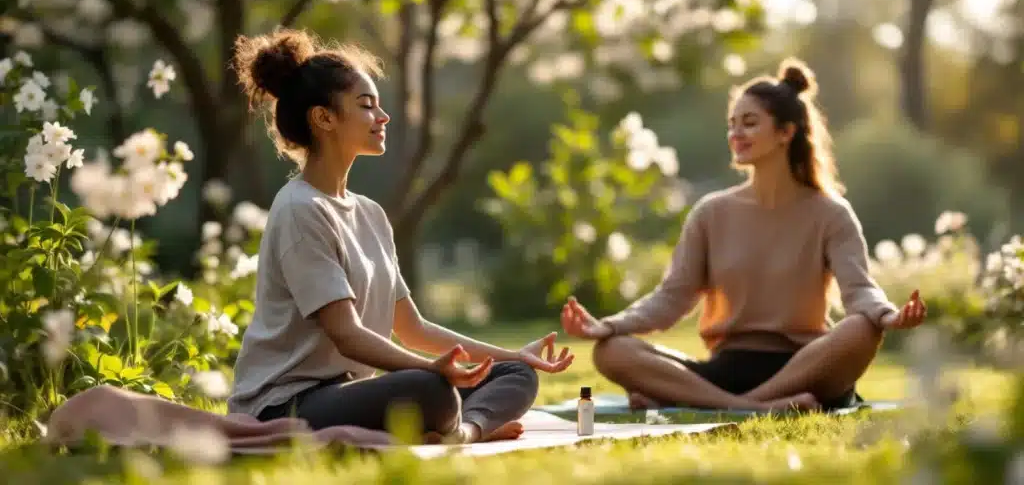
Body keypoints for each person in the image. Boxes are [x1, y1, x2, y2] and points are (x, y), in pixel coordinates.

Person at [226, 28, 574, 444]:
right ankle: (453, 421)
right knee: (430, 390)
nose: (383, 116)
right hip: (288, 404)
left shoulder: (370, 214)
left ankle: (463, 432)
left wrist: (514, 355)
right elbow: (348, 336)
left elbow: (413, 328)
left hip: (349, 394)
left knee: (516, 376)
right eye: (366, 105)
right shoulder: (301, 210)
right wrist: (430, 370)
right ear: (324, 118)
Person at [560, 58, 928, 412]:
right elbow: (671, 298)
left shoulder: (830, 213)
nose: (736, 133)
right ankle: (751, 407)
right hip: (727, 370)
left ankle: (714, 400)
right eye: (732, 124)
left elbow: (859, 289)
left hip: (806, 368)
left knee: (860, 330)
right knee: (611, 350)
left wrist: (887, 316)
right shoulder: (711, 212)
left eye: (750, 123)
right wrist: (606, 325)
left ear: (786, 132)